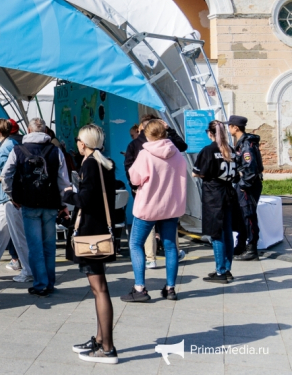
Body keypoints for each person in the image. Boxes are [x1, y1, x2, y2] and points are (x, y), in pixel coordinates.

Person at [64, 124, 119, 365]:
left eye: (78, 139)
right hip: (99, 230)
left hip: (91, 234)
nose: (77, 143)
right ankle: (99, 339)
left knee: (99, 289)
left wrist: (68, 194)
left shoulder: (90, 164)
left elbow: (85, 199)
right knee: (100, 288)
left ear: (83, 143)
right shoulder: (104, 163)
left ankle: (107, 348)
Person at [2, 117, 71, 297]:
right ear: (46, 132)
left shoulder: (18, 150)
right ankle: (49, 283)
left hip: (28, 203)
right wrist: (63, 203)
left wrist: (12, 195)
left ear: (28, 130)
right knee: (49, 246)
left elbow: (6, 174)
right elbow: (64, 181)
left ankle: (40, 284)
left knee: (34, 247)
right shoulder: (56, 151)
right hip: (51, 204)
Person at [121, 119, 188, 302]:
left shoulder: (145, 154)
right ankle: (170, 288)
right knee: (170, 246)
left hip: (149, 206)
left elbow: (135, 179)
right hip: (171, 206)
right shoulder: (177, 154)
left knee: (136, 244)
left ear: (147, 134)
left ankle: (140, 288)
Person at [0, 118, 29, 281]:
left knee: (16, 236)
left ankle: (28, 270)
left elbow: (7, 175)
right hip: (8, 198)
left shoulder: (4, 149)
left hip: (9, 198)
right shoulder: (13, 145)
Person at [194, 120, 238, 285]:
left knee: (216, 233)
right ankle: (226, 268)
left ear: (210, 133)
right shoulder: (230, 149)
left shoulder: (208, 150)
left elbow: (198, 172)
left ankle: (220, 271)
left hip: (214, 195)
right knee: (227, 232)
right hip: (228, 193)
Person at [228, 115, 264, 261]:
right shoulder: (242, 143)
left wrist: (243, 185)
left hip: (249, 185)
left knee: (248, 215)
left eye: (230, 125)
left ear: (235, 127)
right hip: (243, 183)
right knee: (241, 215)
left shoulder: (246, 144)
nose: (228, 128)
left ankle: (252, 249)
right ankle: (241, 244)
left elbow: (251, 168)